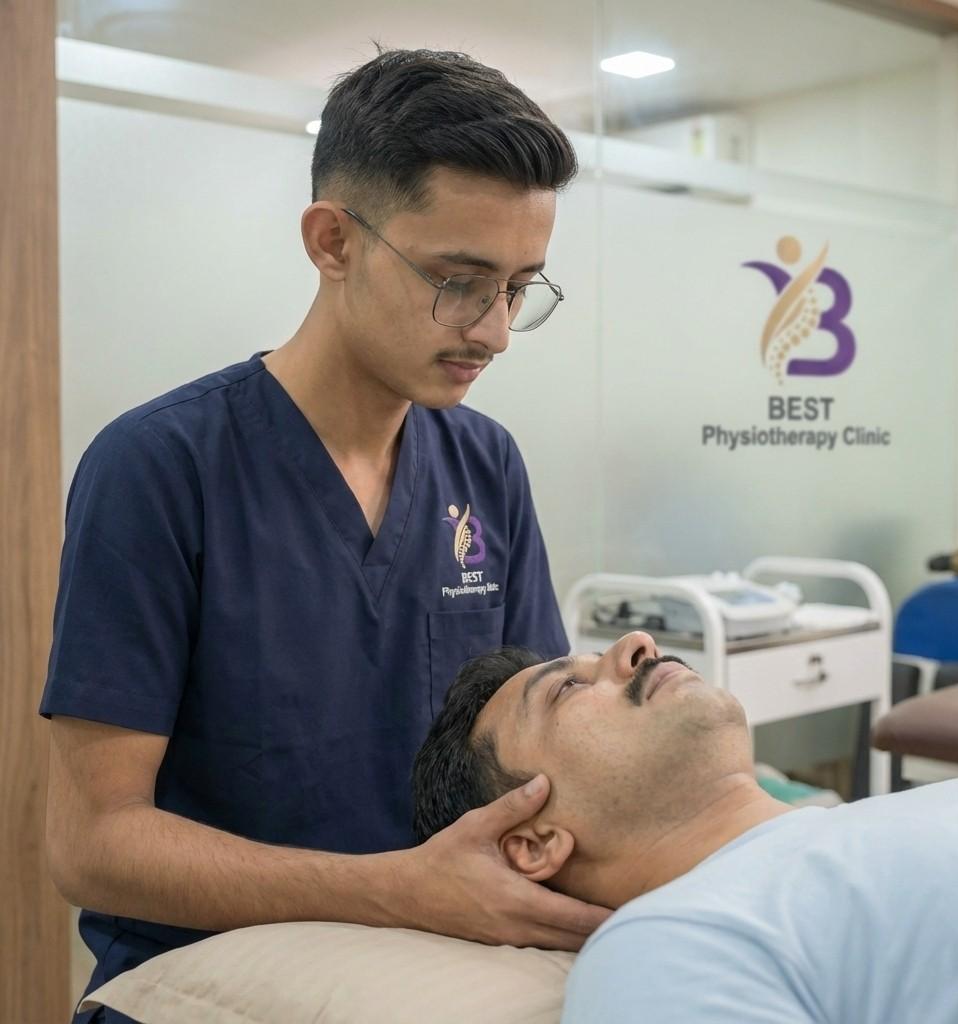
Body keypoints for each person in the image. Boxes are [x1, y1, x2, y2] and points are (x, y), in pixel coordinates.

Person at [40, 47, 610, 1023]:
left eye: (519, 287)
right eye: (459, 280)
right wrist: (395, 886)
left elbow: (539, 759)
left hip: (442, 974)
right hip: (208, 987)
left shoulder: (484, 466)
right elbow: (93, 843)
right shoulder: (162, 468)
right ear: (332, 240)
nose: (495, 331)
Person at [412, 632, 958, 1024]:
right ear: (534, 842)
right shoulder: (668, 947)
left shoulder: (892, 814)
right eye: (569, 687)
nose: (638, 644)